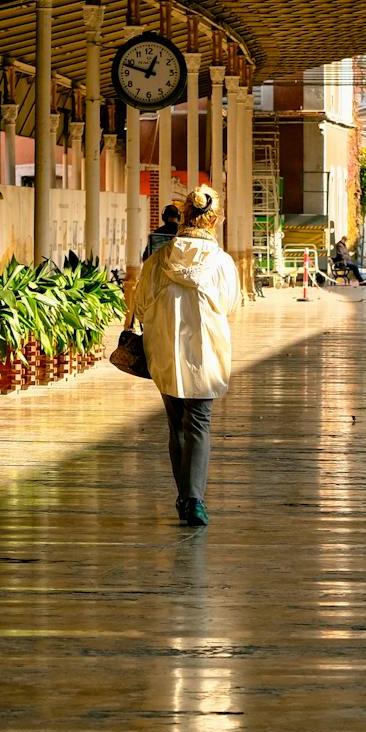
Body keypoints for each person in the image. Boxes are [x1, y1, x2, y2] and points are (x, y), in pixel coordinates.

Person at [132, 185, 238, 527]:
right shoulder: (221, 263)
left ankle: (184, 496)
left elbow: (139, 305)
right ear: (214, 221)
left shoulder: (158, 260)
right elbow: (231, 305)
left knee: (175, 425)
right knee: (199, 424)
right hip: (207, 353)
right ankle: (194, 500)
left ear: (184, 216)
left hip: (165, 352)